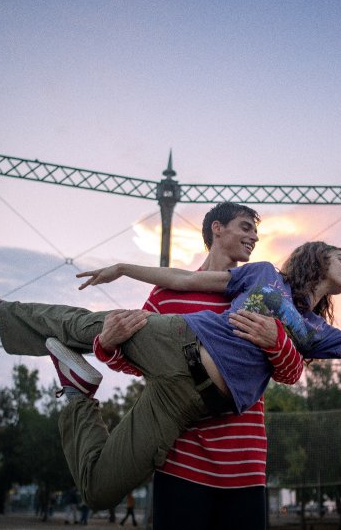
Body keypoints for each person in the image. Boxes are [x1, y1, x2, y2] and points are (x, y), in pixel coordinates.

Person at [0, 241, 341, 510]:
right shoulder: (263, 274)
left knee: (100, 490)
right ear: (318, 260)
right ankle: (5, 309)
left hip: (189, 404)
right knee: (90, 324)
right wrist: (124, 267)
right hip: (182, 342)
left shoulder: (319, 333)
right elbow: (184, 279)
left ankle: (77, 391)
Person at [93, 203, 302, 530]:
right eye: (245, 227)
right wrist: (106, 346)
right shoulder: (167, 295)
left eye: (256, 231)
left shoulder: (265, 295)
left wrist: (275, 340)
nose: (254, 237)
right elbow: (141, 363)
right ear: (217, 228)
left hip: (244, 467)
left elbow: (291, 373)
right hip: (181, 464)